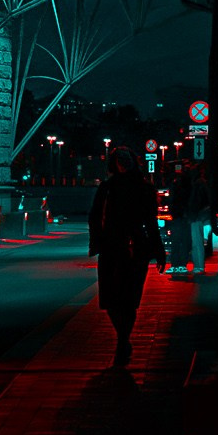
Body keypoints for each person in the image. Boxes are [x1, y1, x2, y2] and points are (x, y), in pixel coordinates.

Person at [89, 143, 162, 366]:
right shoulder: (141, 188)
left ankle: (122, 340)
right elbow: (151, 223)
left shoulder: (110, 188)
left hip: (118, 248)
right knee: (123, 299)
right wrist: (157, 250)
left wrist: (98, 242)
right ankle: (123, 339)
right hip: (130, 248)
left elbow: (94, 217)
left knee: (117, 299)